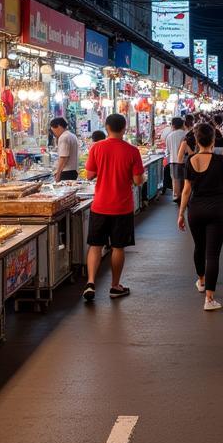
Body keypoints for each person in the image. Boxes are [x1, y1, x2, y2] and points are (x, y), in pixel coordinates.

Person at [83, 113, 145, 302]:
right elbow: (137, 180)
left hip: (100, 205)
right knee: (118, 247)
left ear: (106, 127)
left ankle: (91, 282)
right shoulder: (132, 151)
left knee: (95, 245)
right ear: (124, 128)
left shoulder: (97, 148)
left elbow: (89, 175)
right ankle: (115, 286)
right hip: (122, 206)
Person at [178, 123, 223, 310]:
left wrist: (180, 214)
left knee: (199, 247)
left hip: (196, 210)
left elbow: (186, 191)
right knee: (213, 254)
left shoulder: (190, 160)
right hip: (217, 209)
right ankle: (209, 299)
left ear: (196, 140)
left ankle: (201, 281)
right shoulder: (220, 160)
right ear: (212, 140)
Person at [164, 116, 188, 203]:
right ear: (182, 124)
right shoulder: (185, 134)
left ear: (173, 125)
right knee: (185, 178)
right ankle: (185, 194)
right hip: (185, 160)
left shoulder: (169, 136)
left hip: (173, 160)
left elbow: (168, 150)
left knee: (175, 179)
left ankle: (176, 195)